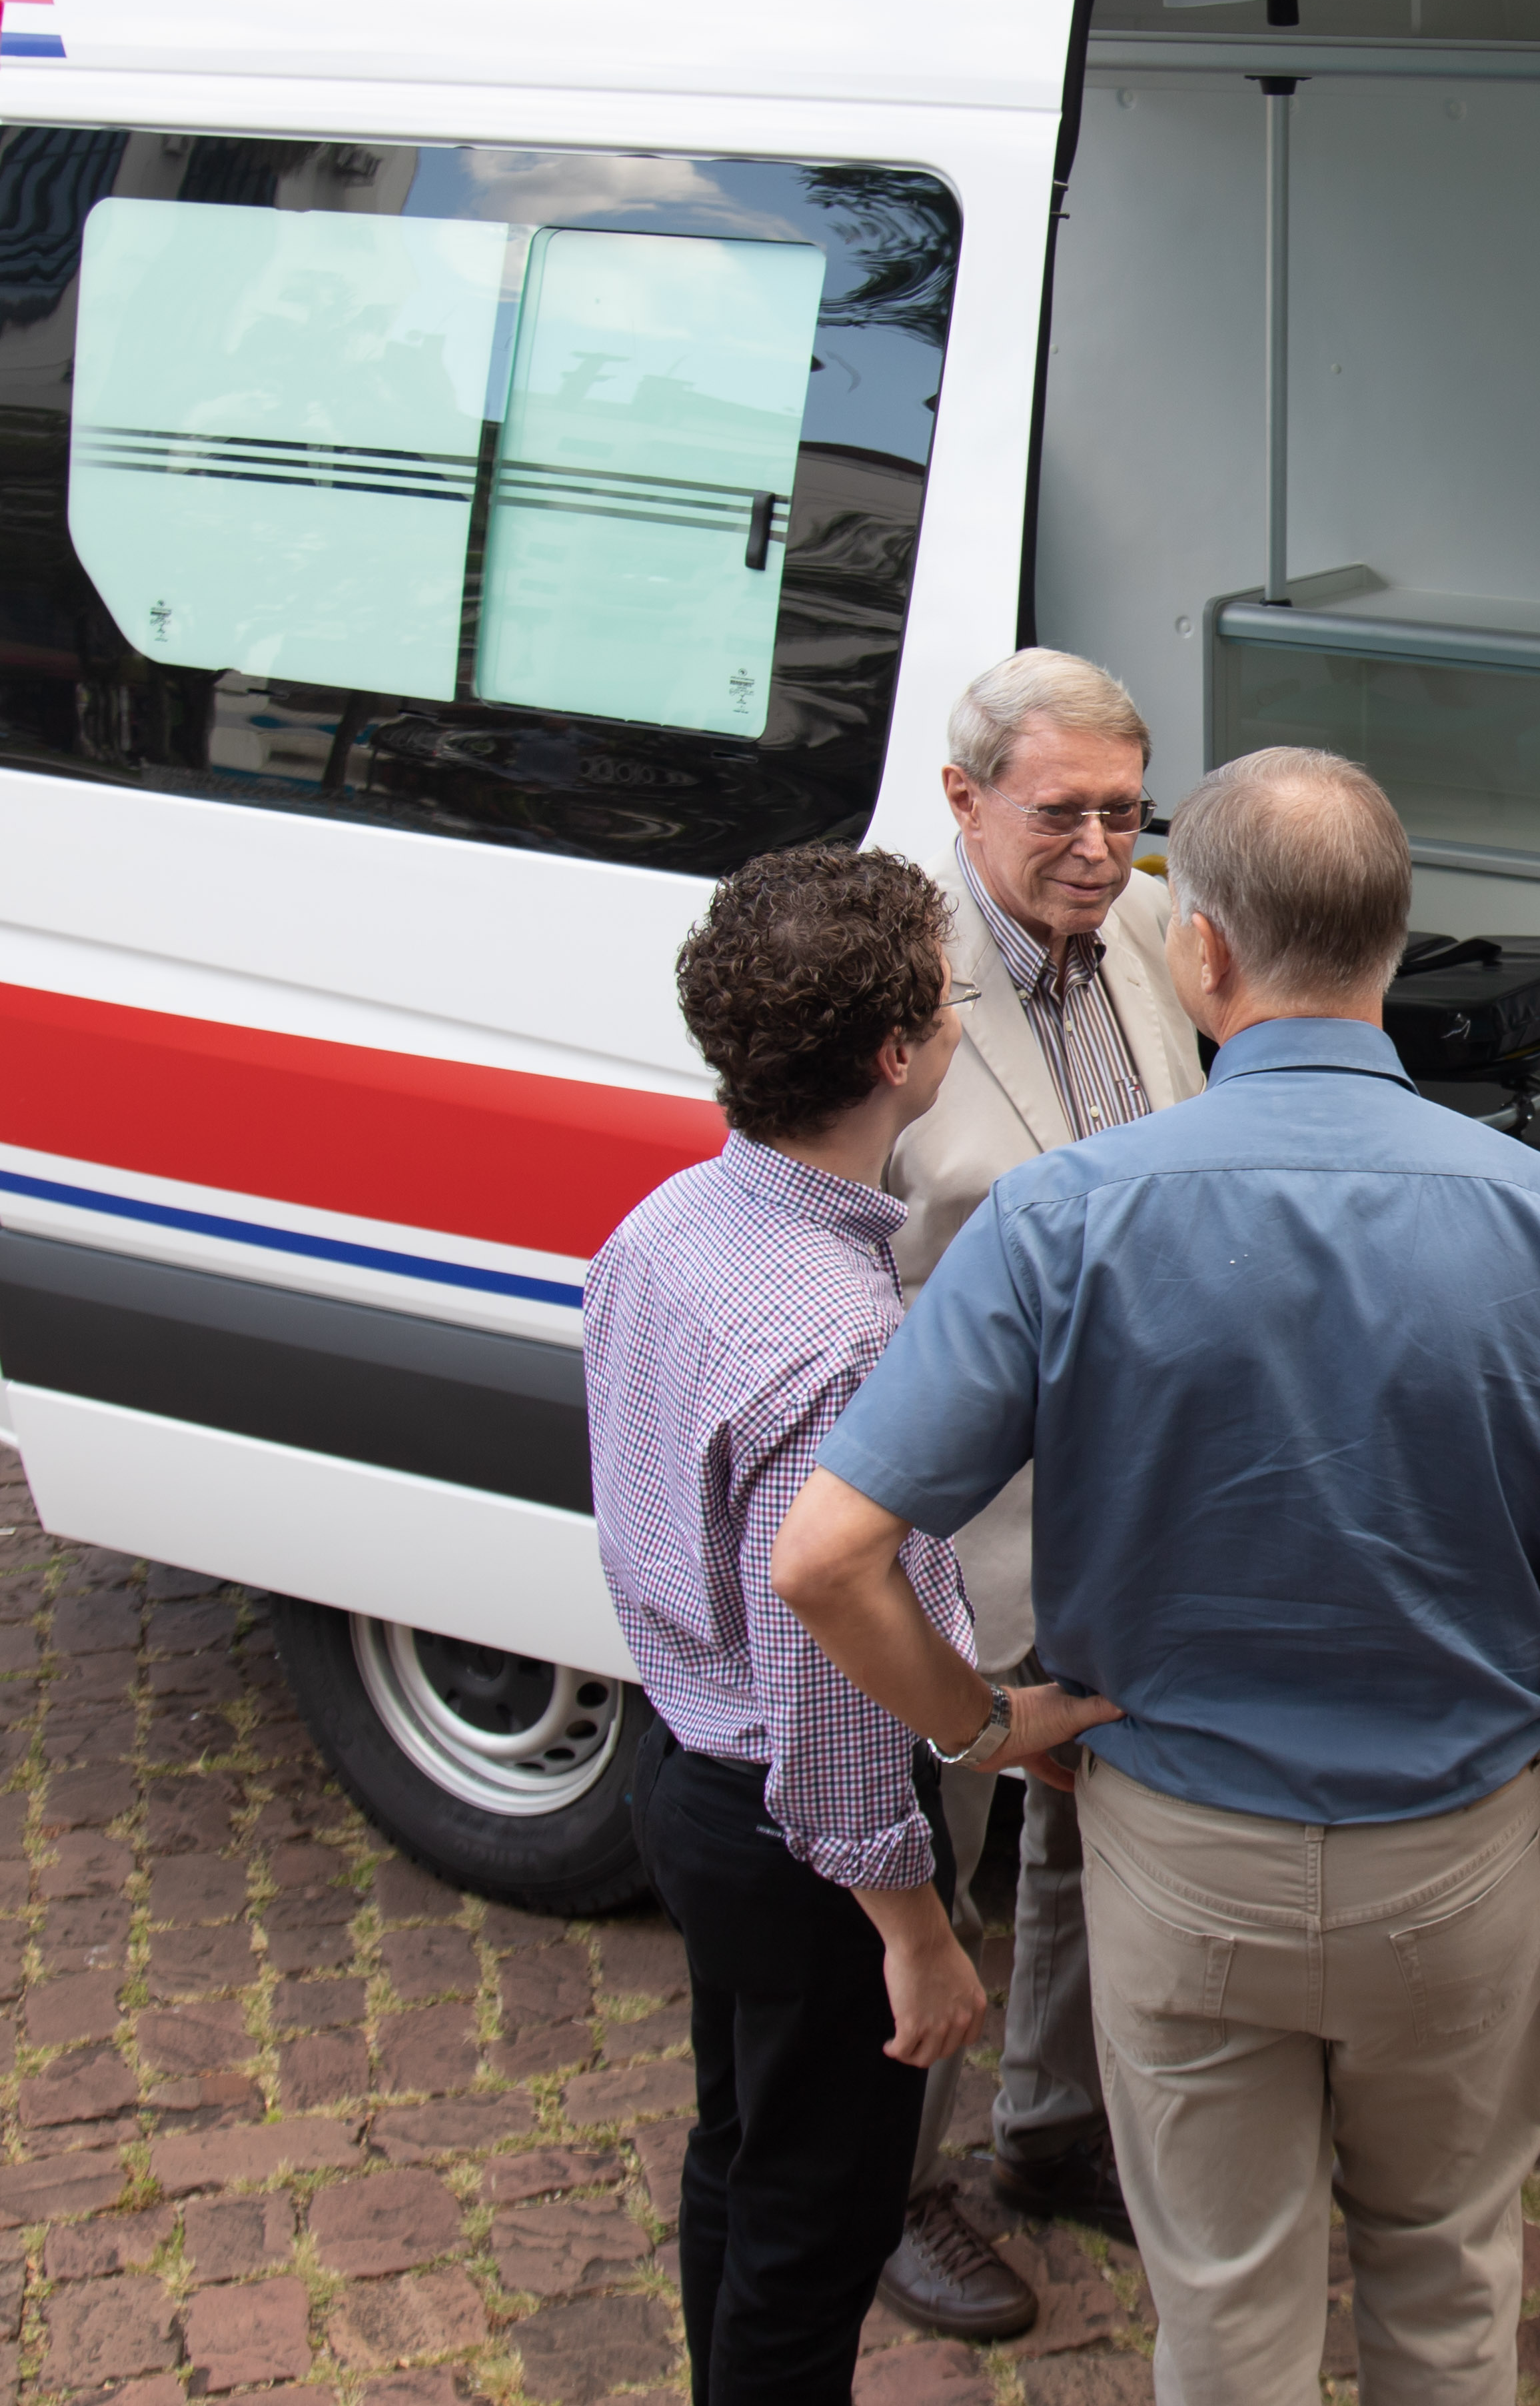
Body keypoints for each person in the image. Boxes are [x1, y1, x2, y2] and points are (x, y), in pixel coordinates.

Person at [775, 746, 1540, 2406]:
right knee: (1446, 2273)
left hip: (1184, 1855)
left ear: (1200, 952)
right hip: (1455, 1854)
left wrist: (983, 1725)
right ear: (1397, 947)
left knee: (1225, 2303)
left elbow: (829, 1559)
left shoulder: (1060, 1216)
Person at [582, 844, 1012, 2406]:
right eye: (953, 995)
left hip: (685, 1775)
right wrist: (917, 1931)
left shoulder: (667, 1222)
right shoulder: (842, 1339)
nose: (963, 1017)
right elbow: (829, 1682)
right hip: (800, 1838)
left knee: (736, 2151)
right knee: (815, 2234)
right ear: (896, 1057)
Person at [880, 649, 1210, 2265]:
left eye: (1125, 813)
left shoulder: (1151, 930)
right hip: (963, 1517)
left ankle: (1055, 2133)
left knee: (1097, 1826)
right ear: (962, 800)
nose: (1099, 846)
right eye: (1061, 812)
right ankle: (890, 2189)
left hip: (1132, 1501)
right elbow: (828, 1252)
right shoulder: (887, 975)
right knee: (927, 1846)